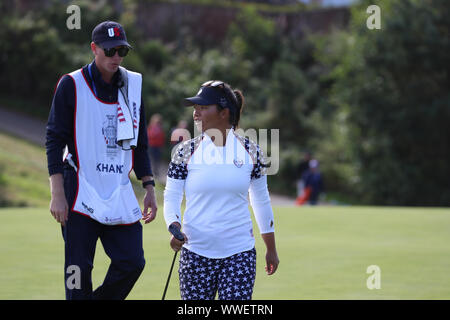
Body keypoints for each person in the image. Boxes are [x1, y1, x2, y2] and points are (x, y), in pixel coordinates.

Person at [46, 21, 157, 300]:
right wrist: (57, 193)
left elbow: (140, 142)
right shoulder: (71, 84)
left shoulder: (133, 84)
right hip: (79, 188)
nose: (115, 57)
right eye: (109, 51)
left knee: (132, 262)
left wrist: (149, 187)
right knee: (78, 271)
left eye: (121, 51)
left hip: (118, 188)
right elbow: (54, 140)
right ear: (94, 49)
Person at [163, 80, 279, 300]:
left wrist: (271, 248)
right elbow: (172, 196)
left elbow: (261, 201)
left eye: (203, 108)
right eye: (196, 108)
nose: (196, 113)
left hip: (239, 254)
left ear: (224, 113)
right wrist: (174, 225)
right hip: (195, 251)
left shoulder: (251, 151)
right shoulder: (185, 151)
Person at [147, 113, 165, 178]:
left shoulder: (160, 128)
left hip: (158, 147)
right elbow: (148, 136)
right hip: (151, 146)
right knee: (151, 159)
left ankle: (156, 173)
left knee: (157, 160)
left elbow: (162, 138)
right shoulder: (151, 127)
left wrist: (161, 146)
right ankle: (150, 172)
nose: (158, 122)